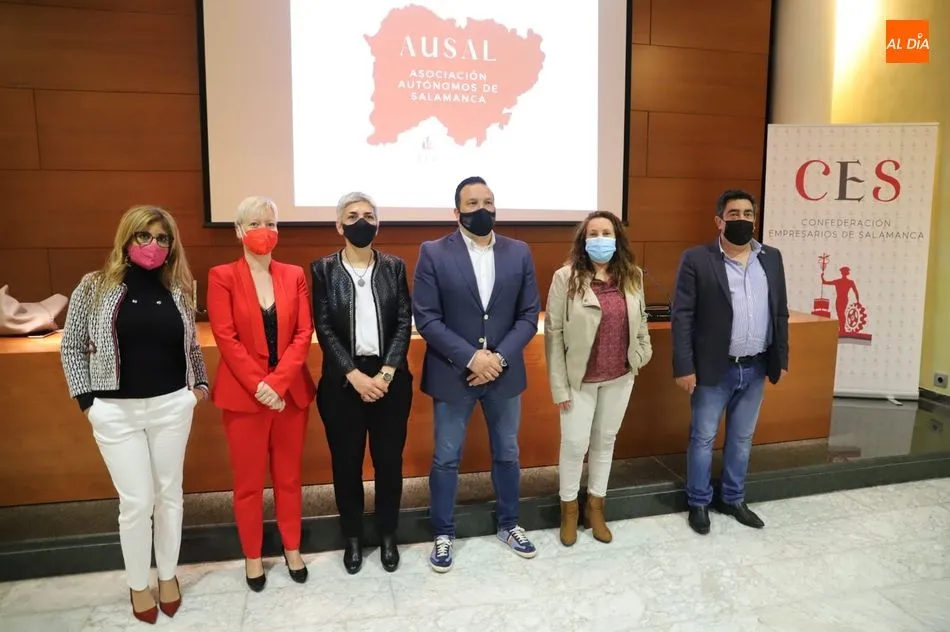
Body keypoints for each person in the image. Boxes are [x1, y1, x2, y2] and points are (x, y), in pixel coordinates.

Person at [59, 205, 208, 624]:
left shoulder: (178, 288)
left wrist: (199, 389)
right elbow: (71, 347)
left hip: (172, 406)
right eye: (144, 236)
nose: (153, 245)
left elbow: (192, 346)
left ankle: (167, 576)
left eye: (162, 238)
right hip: (114, 412)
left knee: (169, 496)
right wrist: (88, 402)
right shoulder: (94, 286)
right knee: (137, 501)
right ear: (127, 238)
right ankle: (138, 583)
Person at [413, 176, 541, 572]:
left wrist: (497, 358)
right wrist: (472, 358)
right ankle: (443, 533)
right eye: (471, 203)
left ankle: (509, 524)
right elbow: (427, 318)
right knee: (447, 458)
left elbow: (527, 314)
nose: (481, 209)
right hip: (454, 374)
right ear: (456, 212)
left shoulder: (519, 252)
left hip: (503, 374)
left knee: (508, 453)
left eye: (487, 201)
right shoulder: (433, 252)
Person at [206, 196, 315, 591]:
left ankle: (292, 547)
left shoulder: (294, 274)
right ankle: (252, 555)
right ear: (238, 231)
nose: (263, 231)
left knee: (289, 478)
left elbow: (304, 333)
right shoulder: (222, 276)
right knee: (249, 483)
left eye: (270, 223)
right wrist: (260, 385)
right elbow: (226, 336)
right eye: (254, 223)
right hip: (244, 398)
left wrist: (278, 383)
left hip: (289, 396)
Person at [670, 189, 789, 535]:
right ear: (719, 220)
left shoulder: (771, 257)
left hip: (755, 366)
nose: (742, 219)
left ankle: (734, 498)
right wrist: (684, 366)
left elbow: (779, 309)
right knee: (703, 437)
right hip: (712, 368)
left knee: (742, 438)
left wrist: (781, 356)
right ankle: (699, 502)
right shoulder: (697, 259)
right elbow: (683, 317)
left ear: (756, 218)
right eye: (734, 214)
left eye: (748, 214)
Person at [312, 192, 413, 575]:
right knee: (346, 464)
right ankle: (352, 537)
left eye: (369, 215)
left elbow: (404, 320)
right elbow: (323, 326)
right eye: (352, 216)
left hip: (390, 381)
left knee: (389, 463)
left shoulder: (393, 266)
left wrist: (386, 372)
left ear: (378, 224)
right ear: (339, 225)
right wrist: (353, 375)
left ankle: (388, 534)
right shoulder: (323, 269)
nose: (361, 221)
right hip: (343, 383)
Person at [544, 211, 653, 547]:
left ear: (617, 237)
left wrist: (640, 355)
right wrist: (559, 386)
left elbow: (642, 320)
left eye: (607, 232)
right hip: (579, 382)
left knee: (605, 444)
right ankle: (569, 513)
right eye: (594, 233)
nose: (601, 239)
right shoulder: (566, 277)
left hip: (620, 377)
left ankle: (596, 508)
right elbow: (554, 333)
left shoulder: (632, 275)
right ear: (584, 240)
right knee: (575, 446)